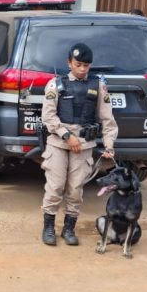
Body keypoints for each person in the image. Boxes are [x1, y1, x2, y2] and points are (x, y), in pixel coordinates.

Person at [40, 43, 118, 246]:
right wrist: (67, 136)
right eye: (78, 64)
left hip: (84, 144)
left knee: (75, 189)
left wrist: (109, 145)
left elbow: (107, 119)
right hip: (59, 143)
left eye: (86, 65)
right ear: (69, 63)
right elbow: (48, 116)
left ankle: (69, 229)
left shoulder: (98, 85)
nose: (82, 69)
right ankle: (48, 227)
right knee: (55, 186)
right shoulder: (55, 84)